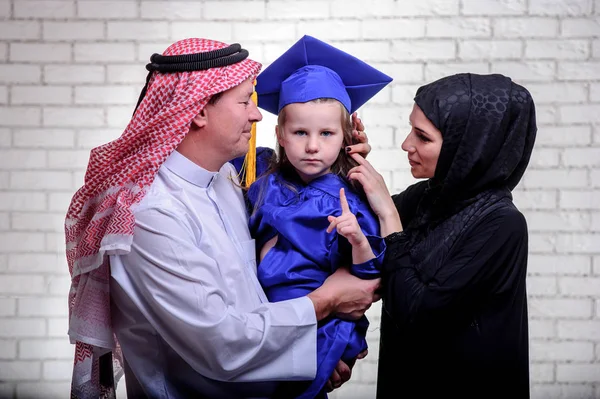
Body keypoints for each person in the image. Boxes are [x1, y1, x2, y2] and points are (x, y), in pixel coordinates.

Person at [64, 37, 380, 399]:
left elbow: (298, 200)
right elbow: (220, 343)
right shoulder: (152, 214)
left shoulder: (226, 180)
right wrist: (327, 301)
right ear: (198, 110)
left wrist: (324, 351)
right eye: (245, 101)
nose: (257, 114)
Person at [345, 73, 536, 398]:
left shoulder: (502, 225)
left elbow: (417, 312)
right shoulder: (426, 198)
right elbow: (359, 229)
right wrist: (342, 158)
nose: (407, 144)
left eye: (423, 136)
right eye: (411, 129)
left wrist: (390, 215)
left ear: (469, 147)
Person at [235, 35, 392, 399]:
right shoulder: (258, 172)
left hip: (321, 324)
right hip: (262, 320)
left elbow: (368, 277)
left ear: (345, 137)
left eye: (327, 134)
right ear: (280, 135)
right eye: (299, 132)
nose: (312, 145)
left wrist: (356, 240)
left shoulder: (347, 200)